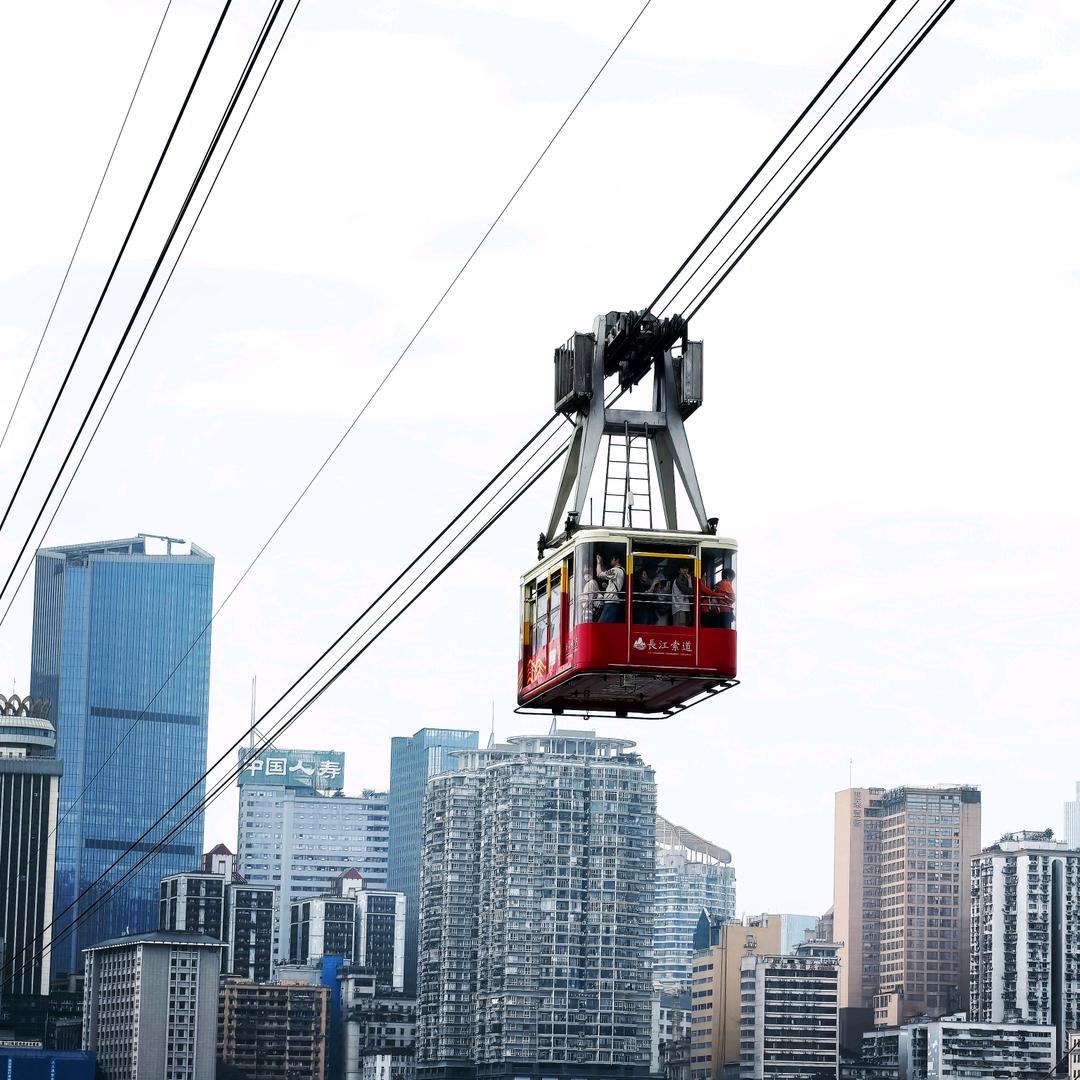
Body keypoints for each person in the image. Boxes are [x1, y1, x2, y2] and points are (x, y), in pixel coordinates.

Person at [596, 552, 625, 623]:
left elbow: (599, 574)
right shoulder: (620, 571)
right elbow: (606, 572)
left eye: (612, 559)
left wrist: (599, 563)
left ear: (617, 560)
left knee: (601, 626)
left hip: (611, 602)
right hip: (614, 601)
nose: (610, 560)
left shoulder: (616, 570)